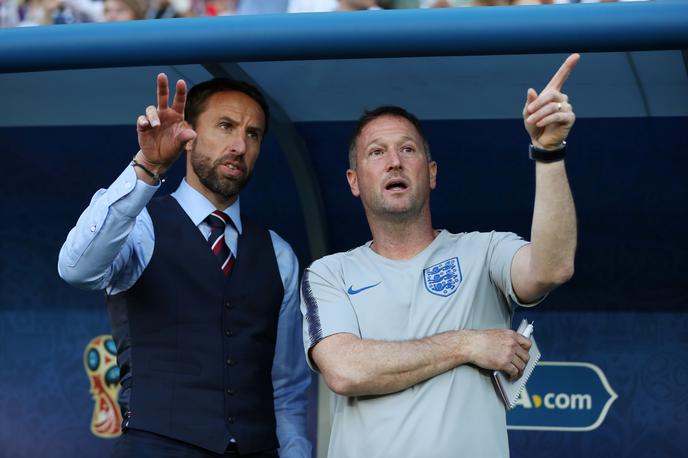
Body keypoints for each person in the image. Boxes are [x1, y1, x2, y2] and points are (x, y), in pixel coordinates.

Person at [301, 54, 580, 457]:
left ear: (431, 173)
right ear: (354, 181)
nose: (394, 161)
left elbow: (553, 267)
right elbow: (345, 370)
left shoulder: (483, 251)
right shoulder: (329, 272)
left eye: (407, 149)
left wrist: (549, 152)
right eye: (376, 152)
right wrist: (467, 344)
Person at [58, 75, 311, 457]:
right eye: (225, 126)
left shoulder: (279, 254)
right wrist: (147, 167)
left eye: (254, 134)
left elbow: (287, 389)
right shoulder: (140, 226)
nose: (240, 146)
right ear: (188, 133)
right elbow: (76, 269)